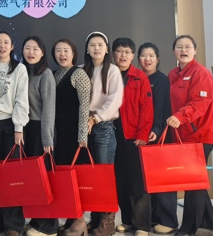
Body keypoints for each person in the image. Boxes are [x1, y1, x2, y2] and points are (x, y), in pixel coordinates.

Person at [167, 35, 213, 236]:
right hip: (181, 137)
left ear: (195, 50)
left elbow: (200, 103)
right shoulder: (173, 74)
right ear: (174, 51)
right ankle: (212, 225)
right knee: (194, 183)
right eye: (179, 47)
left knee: (193, 184)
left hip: (199, 136)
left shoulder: (201, 73)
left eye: (188, 47)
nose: (183, 50)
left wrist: (180, 116)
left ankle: (189, 228)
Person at [0, 31, 29, 236]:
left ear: (12, 46)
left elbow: (21, 99)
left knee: (11, 174)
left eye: (6, 42)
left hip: (11, 125)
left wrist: (19, 127)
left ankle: (13, 224)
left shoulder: (19, 69)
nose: (2, 46)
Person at [111, 37, 153, 236]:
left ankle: (142, 225)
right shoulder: (109, 74)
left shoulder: (139, 77)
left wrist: (142, 134)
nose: (123, 55)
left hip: (134, 137)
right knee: (121, 181)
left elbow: (147, 108)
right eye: (120, 51)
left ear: (133, 55)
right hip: (113, 137)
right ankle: (127, 221)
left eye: (127, 52)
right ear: (113, 54)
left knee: (137, 182)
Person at [82, 31, 123, 236]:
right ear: (87, 49)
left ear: (106, 49)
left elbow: (115, 99)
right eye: (92, 45)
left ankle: (108, 222)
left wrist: (95, 118)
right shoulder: (81, 70)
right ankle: (95, 218)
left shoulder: (113, 71)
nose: (96, 48)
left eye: (100, 45)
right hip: (83, 126)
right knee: (90, 176)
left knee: (104, 175)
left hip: (103, 126)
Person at [51, 38, 91, 236]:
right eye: (58, 51)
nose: (62, 54)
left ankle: (80, 222)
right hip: (59, 135)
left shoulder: (79, 74)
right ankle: (71, 217)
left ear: (73, 53)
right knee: (64, 178)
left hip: (75, 136)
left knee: (76, 179)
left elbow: (85, 106)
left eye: (66, 50)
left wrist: (82, 135)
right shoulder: (54, 74)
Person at [137, 42, 178, 235]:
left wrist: (156, 128)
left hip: (158, 134)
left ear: (158, 59)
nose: (147, 59)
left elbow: (161, 108)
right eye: (143, 55)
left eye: (151, 56)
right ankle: (152, 218)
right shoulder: (137, 78)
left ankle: (168, 220)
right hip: (141, 135)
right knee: (147, 180)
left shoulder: (161, 80)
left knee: (163, 179)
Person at [21, 36, 57, 236]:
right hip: (25, 129)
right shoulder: (22, 71)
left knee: (44, 179)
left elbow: (49, 109)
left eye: (35, 49)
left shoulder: (46, 74)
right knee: (32, 180)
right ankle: (36, 221)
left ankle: (48, 227)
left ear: (43, 52)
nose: (31, 52)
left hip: (40, 129)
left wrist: (47, 138)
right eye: (27, 48)